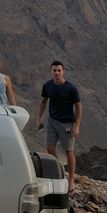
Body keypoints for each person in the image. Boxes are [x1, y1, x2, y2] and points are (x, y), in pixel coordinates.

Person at [37, 61, 83, 193]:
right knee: (50, 148)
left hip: (67, 123)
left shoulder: (71, 88)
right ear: (51, 71)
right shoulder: (47, 85)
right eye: (54, 70)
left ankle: (71, 180)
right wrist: (39, 118)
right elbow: (43, 101)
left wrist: (77, 126)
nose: (56, 73)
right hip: (52, 121)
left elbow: (79, 106)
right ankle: (59, 172)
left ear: (63, 71)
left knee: (69, 152)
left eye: (59, 70)